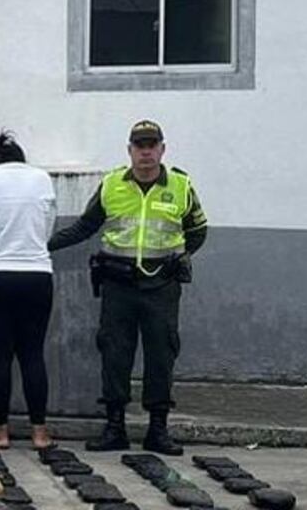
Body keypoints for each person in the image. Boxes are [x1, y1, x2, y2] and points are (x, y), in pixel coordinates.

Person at [49, 120, 208, 455]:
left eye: (152, 145)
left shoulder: (180, 185)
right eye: (140, 145)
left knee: (161, 355)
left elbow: (198, 230)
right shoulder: (112, 185)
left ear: (162, 149)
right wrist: (42, 244)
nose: (146, 152)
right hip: (119, 285)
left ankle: (158, 429)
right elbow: (84, 227)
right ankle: (115, 427)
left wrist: (177, 258)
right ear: (130, 150)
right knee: (114, 353)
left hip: (161, 286)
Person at [0, 131, 57, 450]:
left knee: (0, 355)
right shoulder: (42, 179)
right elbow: (48, 227)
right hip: (37, 274)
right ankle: (39, 433)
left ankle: (0, 432)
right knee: (33, 353)